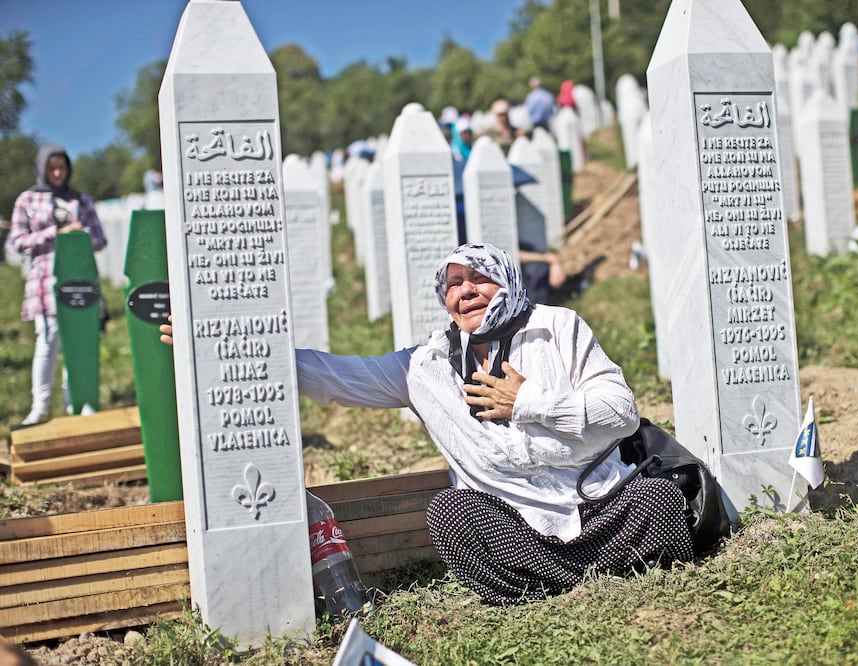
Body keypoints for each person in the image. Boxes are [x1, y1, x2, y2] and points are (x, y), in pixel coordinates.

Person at [162, 243, 693, 604]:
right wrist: (227, 351)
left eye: (478, 278)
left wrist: (528, 400)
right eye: (453, 284)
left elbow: (620, 412)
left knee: (661, 501)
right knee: (450, 516)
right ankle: (559, 583)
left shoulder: (559, 329)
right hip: (520, 523)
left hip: (600, 502)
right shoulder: (426, 367)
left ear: (505, 280)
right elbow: (336, 377)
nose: (465, 291)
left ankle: (586, 572)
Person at [9, 144, 107, 425]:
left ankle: (75, 401)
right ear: (42, 168)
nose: (57, 173)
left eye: (61, 167)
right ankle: (40, 407)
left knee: (79, 341)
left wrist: (80, 236)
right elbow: (18, 241)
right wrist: (56, 233)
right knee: (49, 339)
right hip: (45, 281)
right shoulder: (27, 200)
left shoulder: (80, 200)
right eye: (51, 167)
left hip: (79, 279)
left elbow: (100, 240)